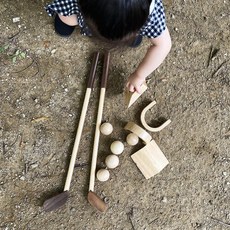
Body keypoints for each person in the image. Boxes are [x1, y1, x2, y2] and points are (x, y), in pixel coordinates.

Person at [45, 0, 172, 93]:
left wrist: (139, 75)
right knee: (66, 19)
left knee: (133, 40)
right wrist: (74, 19)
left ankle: (130, 35)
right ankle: (72, 17)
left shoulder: (152, 13)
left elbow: (163, 45)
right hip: (80, 9)